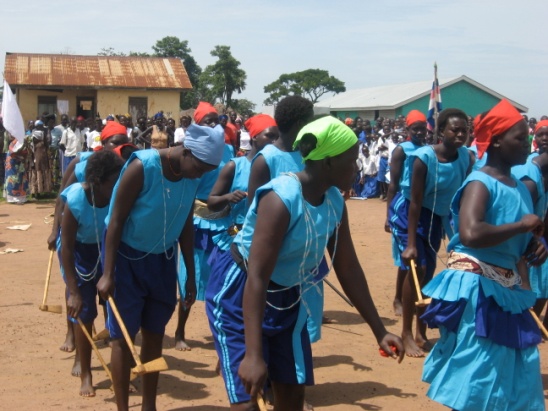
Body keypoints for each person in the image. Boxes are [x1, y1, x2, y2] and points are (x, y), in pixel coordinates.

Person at [206, 116, 404, 411]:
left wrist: (379, 329)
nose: (357, 168)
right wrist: (254, 354)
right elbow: (257, 276)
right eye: (350, 161)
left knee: (292, 397)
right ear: (326, 162)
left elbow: (347, 267)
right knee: (248, 401)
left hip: (288, 296)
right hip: (241, 293)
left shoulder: (334, 200)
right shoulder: (280, 199)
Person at [421, 99, 546, 411]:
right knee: (476, 375)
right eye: (520, 138)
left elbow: (515, 239)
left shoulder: (518, 185)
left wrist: (534, 245)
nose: (526, 144)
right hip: (478, 290)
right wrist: (521, 226)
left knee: (511, 375)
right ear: (498, 140)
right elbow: (471, 233)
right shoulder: (480, 182)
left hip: (506, 290)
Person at [97, 122, 225, 411]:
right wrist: (107, 273)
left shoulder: (192, 179)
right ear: (187, 151)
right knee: (122, 337)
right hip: (126, 261)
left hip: (163, 261)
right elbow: (115, 221)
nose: (200, 175)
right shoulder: (143, 167)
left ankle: (149, 406)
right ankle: (122, 407)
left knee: (154, 333)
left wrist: (190, 277)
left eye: (207, 171)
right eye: (200, 167)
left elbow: (186, 229)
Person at [392, 108, 474, 357]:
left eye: (464, 130)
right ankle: (405, 332)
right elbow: (415, 202)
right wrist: (410, 244)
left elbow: (465, 195)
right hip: (411, 214)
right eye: (454, 130)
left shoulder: (466, 158)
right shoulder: (422, 158)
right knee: (417, 268)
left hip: (437, 218)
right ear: (440, 132)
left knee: (429, 275)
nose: (460, 134)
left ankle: (421, 331)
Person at [47, 120, 131, 359]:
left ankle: (106, 331)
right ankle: (73, 334)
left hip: (102, 245)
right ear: (103, 142)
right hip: (77, 243)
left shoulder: (122, 169)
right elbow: (63, 199)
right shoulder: (82, 163)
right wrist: (55, 231)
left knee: (107, 295)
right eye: (116, 142)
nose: (120, 146)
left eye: (123, 142)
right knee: (77, 294)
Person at [60, 150, 124, 397]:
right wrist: (74, 291)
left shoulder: (118, 196)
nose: (118, 185)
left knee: (119, 312)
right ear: (97, 180)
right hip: (79, 254)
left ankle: (121, 370)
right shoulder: (76, 198)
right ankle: (86, 371)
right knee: (84, 313)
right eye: (113, 181)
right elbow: (66, 247)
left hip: (107, 251)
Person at [174, 102, 234, 351]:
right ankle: (179, 332)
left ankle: (222, 333)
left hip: (224, 223)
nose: (213, 123)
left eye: (216, 119)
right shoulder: (190, 151)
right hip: (196, 221)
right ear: (197, 125)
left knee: (222, 280)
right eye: (207, 120)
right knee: (191, 277)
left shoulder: (229, 151)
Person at [385, 111, 427, 317]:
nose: (419, 132)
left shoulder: (429, 150)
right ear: (408, 130)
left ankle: (415, 297)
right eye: (415, 128)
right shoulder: (402, 150)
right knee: (407, 258)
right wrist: (387, 216)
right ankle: (398, 298)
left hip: (422, 205)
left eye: (422, 127)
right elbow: (393, 183)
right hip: (403, 205)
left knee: (421, 256)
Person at [513, 119, 548, 327]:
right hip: (527, 235)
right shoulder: (530, 171)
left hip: (541, 232)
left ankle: (535, 323)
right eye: (541, 134)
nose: (545, 139)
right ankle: (528, 321)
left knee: (543, 281)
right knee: (527, 281)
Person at [28, 120, 53, 198]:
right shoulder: (32, 142)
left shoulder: (43, 140)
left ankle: (45, 191)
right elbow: (30, 152)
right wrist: (31, 161)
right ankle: (35, 192)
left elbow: (48, 144)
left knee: (45, 174)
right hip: (35, 161)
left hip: (43, 160)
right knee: (35, 175)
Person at [4, 134, 29, 204]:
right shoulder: (14, 142)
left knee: (21, 179)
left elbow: (26, 152)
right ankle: (13, 197)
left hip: (19, 162)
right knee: (13, 179)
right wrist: (21, 148)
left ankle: (21, 197)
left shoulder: (21, 141)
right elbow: (13, 151)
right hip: (12, 163)